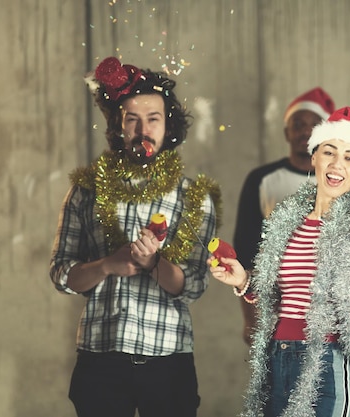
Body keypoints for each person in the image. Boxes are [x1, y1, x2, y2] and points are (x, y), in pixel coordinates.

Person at [211, 106, 350, 417]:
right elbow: (278, 297)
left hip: (329, 360)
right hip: (276, 356)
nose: (337, 164)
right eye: (329, 152)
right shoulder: (287, 216)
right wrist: (243, 280)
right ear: (314, 156)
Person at [49, 57, 221, 417]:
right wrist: (109, 264)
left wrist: (152, 263)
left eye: (153, 118)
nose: (143, 129)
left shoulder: (194, 198)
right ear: (118, 125)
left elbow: (194, 285)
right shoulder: (86, 190)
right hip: (100, 359)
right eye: (132, 119)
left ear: (168, 125)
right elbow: (62, 274)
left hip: (169, 360)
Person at [234, 87, 336, 345]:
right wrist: (250, 318)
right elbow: (246, 253)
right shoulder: (262, 180)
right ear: (286, 132)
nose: (305, 131)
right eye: (298, 124)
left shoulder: (345, 180)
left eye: (315, 125)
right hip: (279, 316)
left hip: (336, 318)